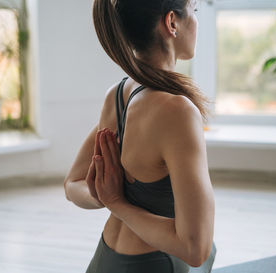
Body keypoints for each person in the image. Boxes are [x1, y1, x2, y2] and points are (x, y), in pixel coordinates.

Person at [64, 0, 217, 272]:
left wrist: (102, 196)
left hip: (106, 259)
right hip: (153, 265)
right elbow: (196, 248)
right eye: (194, 11)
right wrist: (114, 202)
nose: (196, 21)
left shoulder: (118, 94)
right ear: (172, 23)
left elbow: (72, 185)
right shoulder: (177, 111)